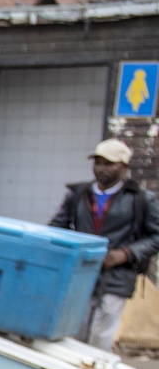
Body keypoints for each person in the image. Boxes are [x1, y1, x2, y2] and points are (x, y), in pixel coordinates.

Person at [48, 137, 159, 351]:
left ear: (124, 167)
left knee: (100, 335)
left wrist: (126, 254)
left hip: (116, 277)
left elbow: (156, 236)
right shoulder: (78, 194)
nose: (101, 169)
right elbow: (56, 227)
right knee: (72, 331)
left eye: (109, 164)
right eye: (97, 162)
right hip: (81, 273)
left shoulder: (141, 199)